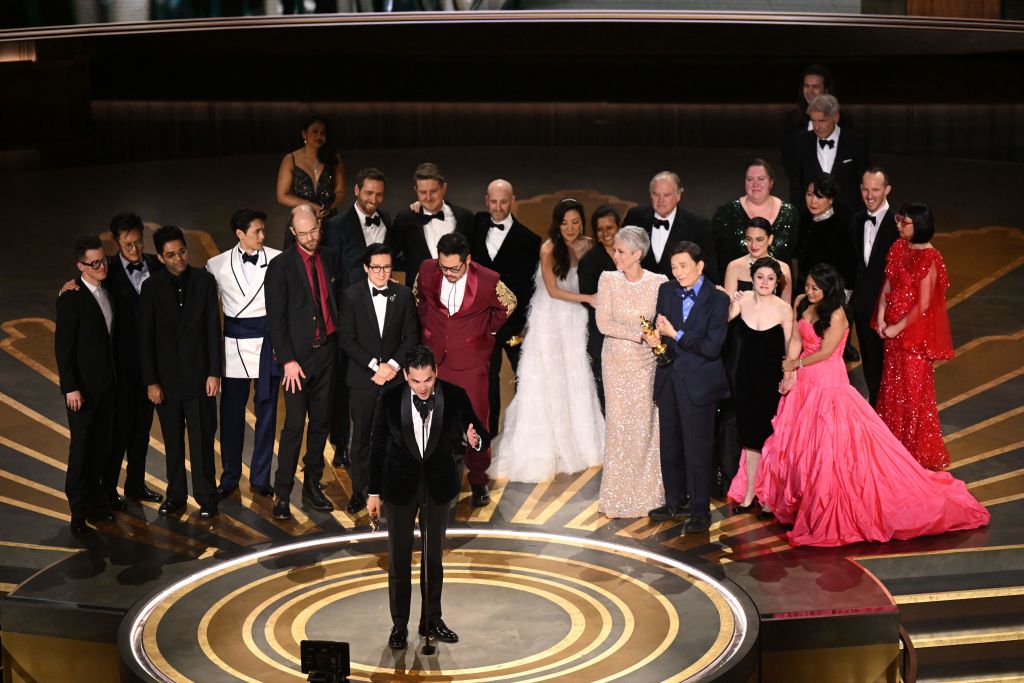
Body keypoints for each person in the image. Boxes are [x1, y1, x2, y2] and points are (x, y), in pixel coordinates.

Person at [730, 264, 989, 547]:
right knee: (797, 445)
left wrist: (797, 363)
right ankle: (798, 501)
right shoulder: (801, 302)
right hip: (804, 384)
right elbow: (794, 338)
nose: (809, 291)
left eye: (815, 288)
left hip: (827, 383)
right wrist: (789, 372)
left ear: (829, 290)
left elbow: (826, 352)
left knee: (828, 450)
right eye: (808, 286)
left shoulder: (838, 314)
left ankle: (825, 507)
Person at [366, 345, 489, 651]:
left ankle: (432, 620)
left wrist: (475, 439)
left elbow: (479, 430)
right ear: (405, 376)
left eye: (429, 380)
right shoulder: (389, 399)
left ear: (437, 373)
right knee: (399, 560)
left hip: (438, 489)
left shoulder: (455, 395)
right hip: (398, 489)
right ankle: (399, 626)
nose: (423, 387)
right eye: (416, 381)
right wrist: (373, 491)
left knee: (433, 560)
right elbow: (377, 445)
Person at [490, 198, 605, 483]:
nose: (570, 228)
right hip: (551, 319)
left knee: (576, 376)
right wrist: (587, 299)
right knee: (549, 379)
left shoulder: (590, 245)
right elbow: (553, 291)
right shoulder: (549, 248)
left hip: (576, 321)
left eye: (575, 222)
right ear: (557, 224)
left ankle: (582, 442)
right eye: (564, 222)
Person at [60, 213, 166, 506]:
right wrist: (70, 285)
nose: (133, 249)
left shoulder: (156, 265)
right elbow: (86, 281)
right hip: (119, 369)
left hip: (150, 368)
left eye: (137, 243)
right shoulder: (107, 271)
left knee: (142, 431)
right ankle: (107, 489)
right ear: (116, 244)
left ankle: (136, 485)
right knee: (117, 434)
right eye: (127, 244)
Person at [415, 231, 515, 506]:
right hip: (435, 362)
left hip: (471, 363)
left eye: (454, 268)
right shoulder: (426, 270)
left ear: (468, 260)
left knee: (476, 422)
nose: (447, 272)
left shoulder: (488, 280)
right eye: (443, 266)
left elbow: (509, 304)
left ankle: (478, 479)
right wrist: (429, 329)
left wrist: (486, 331)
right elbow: (419, 299)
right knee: (431, 421)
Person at [646, 242, 729, 534]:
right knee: (670, 446)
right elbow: (661, 330)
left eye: (683, 266)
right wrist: (656, 339)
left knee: (698, 450)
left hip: (699, 384)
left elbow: (711, 347)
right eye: (673, 268)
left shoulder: (718, 300)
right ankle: (675, 502)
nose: (677, 273)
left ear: (700, 265)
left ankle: (699, 511)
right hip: (669, 379)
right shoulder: (666, 291)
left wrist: (675, 334)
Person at [140, 225, 221, 518]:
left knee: (202, 440)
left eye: (182, 252)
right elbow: (145, 339)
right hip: (168, 383)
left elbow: (213, 329)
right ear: (160, 257)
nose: (179, 259)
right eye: (171, 255)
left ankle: (206, 496)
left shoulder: (204, 281)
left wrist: (214, 373)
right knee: (173, 441)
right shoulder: (150, 288)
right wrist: (152, 382)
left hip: (200, 379)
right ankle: (176, 495)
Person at [265, 205, 339, 519]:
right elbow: (275, 319)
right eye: (303, 232)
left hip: (328, 353)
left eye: (314, 230)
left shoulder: (331, 257)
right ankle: (282, 494)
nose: (310, 237)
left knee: (321, 423)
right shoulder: (280, 266)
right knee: (295, 425)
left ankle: (312, 485)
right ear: (293, 231)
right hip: (297, 361)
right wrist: (287, 360)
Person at [205, 208, 281, 499]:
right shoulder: (216, 264)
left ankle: (261, 478)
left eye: (264, 230)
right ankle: (229, 476)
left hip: (267, 347)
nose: (263, 236)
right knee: (231, 418)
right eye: (256, 231)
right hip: (233, 348)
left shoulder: (277, 259)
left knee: (267, 415)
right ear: (240, 234)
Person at [337, 244, 418, 514]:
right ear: (365, 268)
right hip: (363, 380)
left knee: (397, 436)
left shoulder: (404, 295)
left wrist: (392, 366)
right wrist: (377, 367)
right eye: (377, 267)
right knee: (361, 437)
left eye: (387, 267)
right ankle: (360, 490)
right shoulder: (351, 296)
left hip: (394, 380)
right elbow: (347, 339)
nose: (383, 273)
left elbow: (411, 337)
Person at [320, 167, 393, 466]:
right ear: (356, 191)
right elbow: (329, 273)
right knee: (343, 384)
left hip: (381, 316)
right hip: (347, 319)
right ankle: (341, 445)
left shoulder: (388, 221)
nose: (373, 199)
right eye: (368, 193)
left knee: (378, 381)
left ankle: (378, 440)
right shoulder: (336, 225)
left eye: (378, 194)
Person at [874, 203, 955, 471]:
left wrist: (897, 328)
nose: (899, 226)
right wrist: (883, 316)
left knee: (911, 395)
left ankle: (912, 453)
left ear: (919, 224)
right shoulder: (898, 247)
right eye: (899, 221)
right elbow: (888, 283)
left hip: (913, 339)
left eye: (904, 222)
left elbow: (923, 304)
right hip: (892, 334)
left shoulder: (931, 258)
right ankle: (892, 448)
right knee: (891, 390)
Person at [595, 226, 667, 517]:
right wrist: (640, 333)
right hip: (616, 363)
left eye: (621, 251)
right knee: (620, 426)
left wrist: (655, 336)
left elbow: (665, 317)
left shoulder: (659, 281)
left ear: (638, 254)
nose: (615, 256)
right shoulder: (608, 279)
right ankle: (617, 497)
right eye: (615, 250)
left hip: (646, 364)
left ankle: (648, 495)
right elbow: (604, 324)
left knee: (646, 426)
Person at [56, 235, 118, 534]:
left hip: (107, 386)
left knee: (102, 447)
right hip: (82, 391)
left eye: (103, 260)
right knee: (81, 449)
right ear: (81, 266)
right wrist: (70, 387)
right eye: (95, 263)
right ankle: (78, 511)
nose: (102, 266)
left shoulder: (107, 291)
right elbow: (63, 347)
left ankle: (97, 502)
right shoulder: (71, 297)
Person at [470, 179, 541, 435]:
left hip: (514, 325)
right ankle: (487, 438)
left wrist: (523, 325)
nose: (498, 207)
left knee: (526, 377)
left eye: (503, 201)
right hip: (480, 324)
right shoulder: (475, 225)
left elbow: (532, 288)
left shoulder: (530, 240)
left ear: (513, 201)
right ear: (486, 200)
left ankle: (525, 435)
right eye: (493, 201)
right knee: (486, 383)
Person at [723, 258, 792, 515]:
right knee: (750, 441)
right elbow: (723, 322)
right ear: (752, 278)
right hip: (745, 378)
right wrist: (727, 300)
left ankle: (768, 498)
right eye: (760, 277)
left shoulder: (785, 310)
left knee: (769, 441)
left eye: (770, 278)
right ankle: (749, 494)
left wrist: (788, 377)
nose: (764, 282)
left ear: (777, 282)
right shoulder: (743, 301)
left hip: (771, 382)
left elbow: (789, 351)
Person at [851, 168, 899, 405]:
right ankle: (876, 410)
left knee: (889, 367)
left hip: (890, 312)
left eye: (876, 190)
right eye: (866, 189)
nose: (870, 195)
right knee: (869, 362)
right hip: (862, 308)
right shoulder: (857, 221)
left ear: (887, 190)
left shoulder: (899, 226)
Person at [623, 171, 719, 284]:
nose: (660, 200)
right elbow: (622, 255)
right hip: (638, 292)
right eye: (656, 194)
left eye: (666, 195)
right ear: (650, 195)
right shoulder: (635, 217)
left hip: (679, 296)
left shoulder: (697, 225)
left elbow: (708, 269)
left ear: (678, 195)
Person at [711, 159, 798, 280]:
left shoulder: (790, 213)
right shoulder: (726, 213)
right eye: (750, 179)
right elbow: (714, 256)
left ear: (771, 182)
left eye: (761, 179)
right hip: (738, 291)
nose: (755, 184)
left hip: (780, 290)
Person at [391, 162, 474, 281]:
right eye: (423, 192)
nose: (428, 198)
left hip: (459, 293)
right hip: (419, 294)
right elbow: (389, 255)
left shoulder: (465, 218)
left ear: (444, 188)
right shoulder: (405, 219)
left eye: (433, 191)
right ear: (416, 190)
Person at [793, 95, 870, 215]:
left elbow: (864, 183)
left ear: (836, 117)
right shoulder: (802, 141)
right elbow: (797, 184)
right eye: (813, 120)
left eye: (822, 121)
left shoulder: (856, 143)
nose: (817, 127)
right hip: (811, 218)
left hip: (847, 217)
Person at [578, 205, 620, 411]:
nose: (605, 233)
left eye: (610, 227)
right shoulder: (590, 260)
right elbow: (587, 297)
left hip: (631, 332)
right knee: (604, 388)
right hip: (601, 333)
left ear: (619, 228)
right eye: (600, 229)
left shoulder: (632, 255)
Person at [276, 114, 346, 230]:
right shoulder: (290, 159)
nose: (319, 136)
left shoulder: (334, 158)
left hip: (329, 221)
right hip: (301, 222)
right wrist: (310, 206)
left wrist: (329, 208)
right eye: (315, 131)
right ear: (304, 134)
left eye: (323, 133)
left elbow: (340, 192)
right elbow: (282, 196)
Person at [796, 174, 855, 293]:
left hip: (828, 296)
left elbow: (848, 272)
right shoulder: (804, 219)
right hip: (802, 291)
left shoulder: (841, 227)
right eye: (809, 194)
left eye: (820, 196)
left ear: (831, 200)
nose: (813, 201)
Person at [723, 217, 793, 303]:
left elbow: (786, 309)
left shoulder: (783, 269)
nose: (753, 245)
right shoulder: (734, 266)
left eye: (759, 240)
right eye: (749, 239)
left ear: (770, 239)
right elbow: (728, 306)